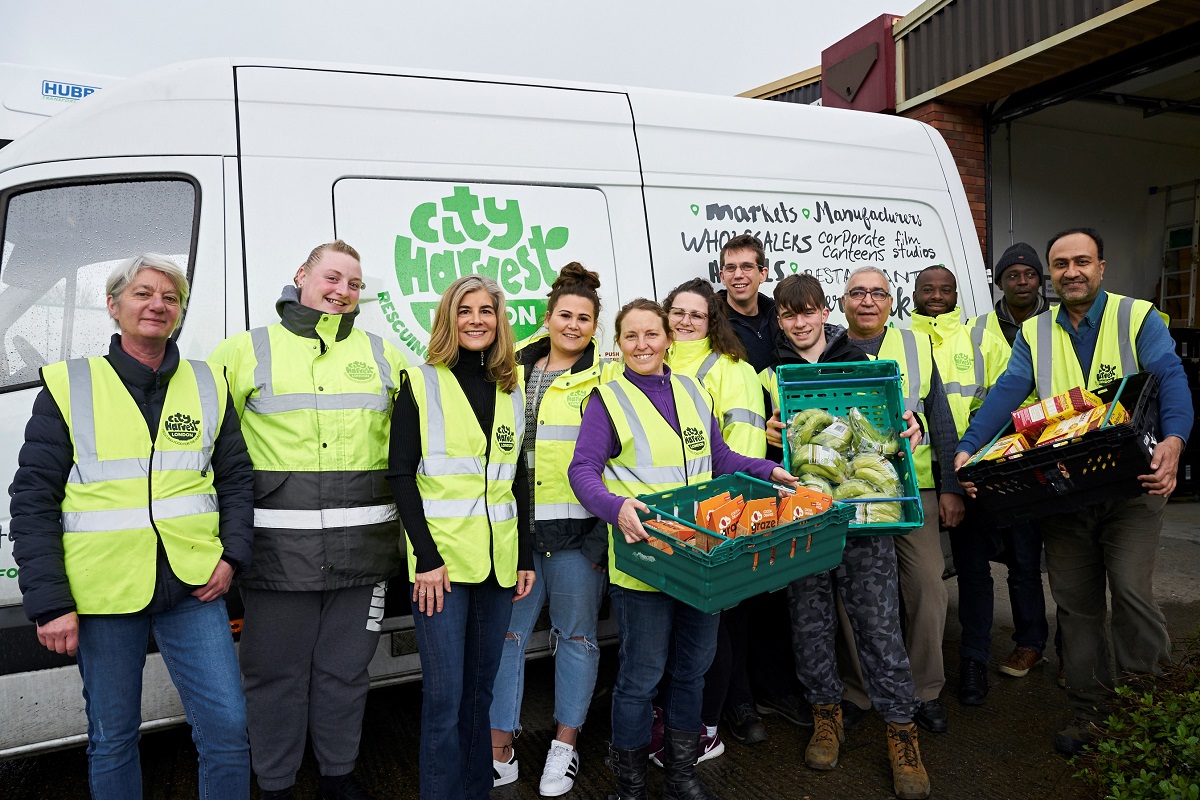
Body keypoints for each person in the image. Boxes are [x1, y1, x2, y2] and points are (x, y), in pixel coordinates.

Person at [10, 254, 253, 799]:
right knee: (113, 737)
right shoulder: (71, 386)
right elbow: (32, 500)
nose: (157, 305)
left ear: (180, 311)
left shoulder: (207, 382)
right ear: (114, 305)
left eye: (170, 297)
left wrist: (232, 555)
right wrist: (49, 603)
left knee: (228, 729)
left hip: (194, 586)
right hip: (103, 594)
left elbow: (236, 477)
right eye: (143, 294)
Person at [955, 227, 1191, 756]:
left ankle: (1148, 709)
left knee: (1130, 592)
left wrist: (1174, 441)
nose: (1072, 272)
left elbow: (1170, 377)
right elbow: (1006, 396)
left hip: (1133, 484)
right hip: (1064, 493)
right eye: (1060, 264)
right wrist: (971, 447)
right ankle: (1090, 713)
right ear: (1050, 275)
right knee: (1077, 606)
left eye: (1082, 262)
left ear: (1101, 267)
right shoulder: (1035, 332)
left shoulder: (1137, 316)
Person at [568, 298, 796, 800]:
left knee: (692, 670)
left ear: (669, 339)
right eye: (632, 336)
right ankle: (629, 786)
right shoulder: (606, 400)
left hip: (700, 559)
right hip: (646, 559)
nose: (643, 345)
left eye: (652, 334)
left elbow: (720, 456)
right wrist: (616, 508)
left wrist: (768, 470)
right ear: (619, 344)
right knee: (641, 677)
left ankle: (680, 773)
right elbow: (581, 471)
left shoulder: (693, 390)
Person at [210, 240, 408, 800]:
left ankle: (338, 776)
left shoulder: (382, 355)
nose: (342, 291)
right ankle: (274, 783)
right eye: (332, 277)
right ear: (302, 275)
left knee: (346, 675)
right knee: (275, 677)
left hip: (363, 552)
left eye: (353, 284)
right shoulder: (243, 351)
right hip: (277, 555)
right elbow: (212, 453)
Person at [762, 273, 931, 800]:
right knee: (810, 625)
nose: (800, 322)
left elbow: (894, 426)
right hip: (803, 525)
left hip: (864, 521)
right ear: (781, 321)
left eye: (807, 311)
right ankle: (826, 717)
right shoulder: (770, 375)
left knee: (880, 627)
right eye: (789, 315)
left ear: (822, 311)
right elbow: (755, 450)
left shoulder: (860, 361)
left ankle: (902, 733)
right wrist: (767, 439)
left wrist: (913, 422)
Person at [389, 274, 535, 800]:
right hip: (440, 570)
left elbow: (515, 476)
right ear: (449, 319)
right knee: (446, 697)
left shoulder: (510, 386)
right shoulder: (420, 381)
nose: (477, 319)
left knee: (480, 693)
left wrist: (522, 555)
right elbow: (400, 476)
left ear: (500, 321)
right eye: (465, 310)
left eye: (487, 311)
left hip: (498, 565)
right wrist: (425, 559)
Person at [488, 264, 607, 796]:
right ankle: (498, 749)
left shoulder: (608, 376)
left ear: (595, 325)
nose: (573, 325)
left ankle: (564, 747)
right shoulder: (510, 368)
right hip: (515, 531)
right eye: (565, 315)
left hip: (577, 534)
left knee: (577, 639)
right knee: (507, 638)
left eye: (584, 318)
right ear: (548, 316)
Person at [840, 266, 963, 735]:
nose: (867, 301)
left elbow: (941, 418)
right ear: (843, 301)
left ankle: (924, 689)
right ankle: (858, 690)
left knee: (928, 587)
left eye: (877, 293)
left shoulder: (915, 344)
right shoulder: (829, 348)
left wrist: (950, 486)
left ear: (893, 302)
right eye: (858, 293)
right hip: (852, 490)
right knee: (851, 593)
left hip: (914, 487)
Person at [910, 264, 1034, 706]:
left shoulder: (980, 337)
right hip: (923, 476)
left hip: (977, 474)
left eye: (946, 289)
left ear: (957, 293)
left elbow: (1012, 394)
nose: (938, 295)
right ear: (914, 293)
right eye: (929, 288)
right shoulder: (903, 338)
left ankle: (974, 662)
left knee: (975, 573)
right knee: (920, 579)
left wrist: (985, 462)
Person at [661, 278, 768, 757]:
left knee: (719, 624)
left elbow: (742, 450)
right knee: (680, 626)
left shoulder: (732, 367)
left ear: (713, 320)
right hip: (661, 518)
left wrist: (724, 519)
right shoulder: (647, 359)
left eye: (696, 315)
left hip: (711, 520)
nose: (685, 321)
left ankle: (713, 722)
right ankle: (685, 716)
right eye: (677, 312)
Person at [715, 235, 806, 729]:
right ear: (721, 273)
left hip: (780, 467)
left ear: (763, 271)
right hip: (728, 469)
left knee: (774, 587)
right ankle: (739, 698)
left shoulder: (781, 315)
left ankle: (777, 690)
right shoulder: (707, 318)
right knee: (734, 596)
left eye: (748, 266)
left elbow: (826, 348)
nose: (739, 275)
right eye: (730, 267)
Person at [968, 242, 1051, 344]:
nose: (1022, 281)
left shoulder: (1063, 320)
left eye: (1030, 274)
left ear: (1039, 281)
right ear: (1000, 284)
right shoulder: (975, 326)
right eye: (1013, 276)